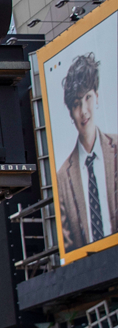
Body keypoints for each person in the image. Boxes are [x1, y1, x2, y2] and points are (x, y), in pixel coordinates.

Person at [56, 53, 118, 252]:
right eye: (76, 103)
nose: (84, 111)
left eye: (87, 98)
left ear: (97, 97)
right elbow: (68, 243)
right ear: (70, 112)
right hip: (89, 269)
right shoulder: (63, 177)